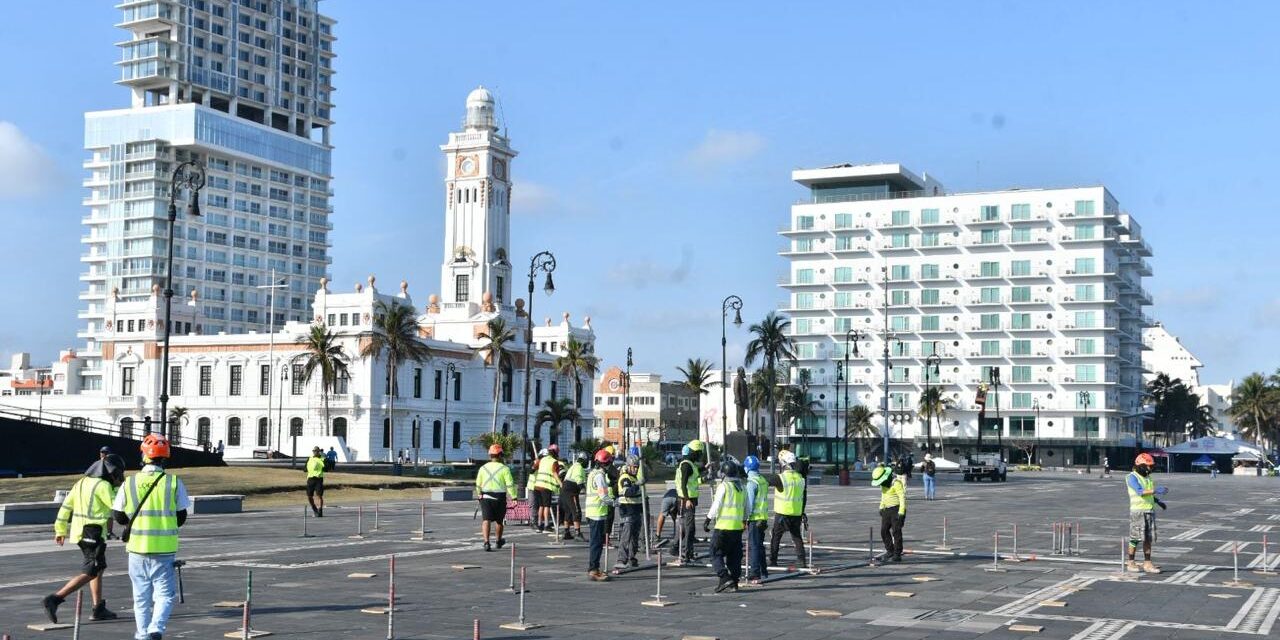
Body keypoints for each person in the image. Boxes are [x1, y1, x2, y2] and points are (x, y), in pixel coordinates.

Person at [113, 434, 190, 640]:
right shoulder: (173, 483)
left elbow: (118, 516)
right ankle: (156, 628)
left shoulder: (129, 483)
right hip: (164, 549)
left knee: (141, 598)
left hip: (137, 549)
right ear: (165, 458)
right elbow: (181, 517)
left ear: (144, 456)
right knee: (164, 595)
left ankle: (142, 634)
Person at [42, 453, 126, 623]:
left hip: (80, 533)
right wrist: (120, 490)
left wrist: (60, 530)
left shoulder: (80, 483)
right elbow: (117, 506)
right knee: (90, 571)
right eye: (118, 475)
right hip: (92, 533)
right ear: (112, 473)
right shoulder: (102, 485)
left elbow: (66, 507)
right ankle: (55, 599)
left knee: (98, 568)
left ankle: (98, 608)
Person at [705, 458, 746, 593]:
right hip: (737, 528)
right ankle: (734, 581)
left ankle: (724, 577)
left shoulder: (724, 486)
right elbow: (747, 507)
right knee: (734, 556)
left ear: (724, 474)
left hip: (723, 527)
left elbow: (717, 504)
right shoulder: (742, 487)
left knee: (715, 552)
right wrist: (745, 520)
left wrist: (708, 518)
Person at [1126, 452, 1168, 573]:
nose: (1150, 469)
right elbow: (1140, 492)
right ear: (1142, 466)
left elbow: (1148, 495)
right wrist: (1155, 491)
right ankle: (1131, 562)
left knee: (1148, 539)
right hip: (1137, 512)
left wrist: (1157, 501)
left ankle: (1147, 563)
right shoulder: (1132, 477)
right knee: (1135, 538)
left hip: (1149, 511)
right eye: (1149, 466)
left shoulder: (1148, 478)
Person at [768, 450, 808, 569]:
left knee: (776, 536)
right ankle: (802, 560)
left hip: (782, 513)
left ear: (784, 464)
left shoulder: (781, 478)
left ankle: (773, 560)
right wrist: (802, 512)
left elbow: (766, 481)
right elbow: (804, 497)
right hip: (796, 513)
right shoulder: (801, 479)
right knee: (796, 537)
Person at [475, 444, 516, 552]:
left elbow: (478, 483)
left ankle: (486, 542)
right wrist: (514, 497)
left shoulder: (483, 468)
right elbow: (510, 484)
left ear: (490, 455)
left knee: (486, 519)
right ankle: (498, 541)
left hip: (485, 496)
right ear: (500, 455)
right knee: (499, 521)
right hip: (500, 496)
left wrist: (479, 493)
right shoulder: (504, 469)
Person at [585, 448, 616, 581]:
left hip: (593, 512)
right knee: (596, 543)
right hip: (597, 513)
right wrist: (614, 502)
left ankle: (594, 568)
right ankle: (594, 570)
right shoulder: (600, 475)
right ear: (606, 463)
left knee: (595, 542)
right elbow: (603, 496)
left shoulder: (593, 473)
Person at [674, 439, 705, 564]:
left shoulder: (691, 464)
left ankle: (686, 550)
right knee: (689, 527)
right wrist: (686, 499)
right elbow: (683, 483)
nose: (699, 455)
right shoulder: (686, 465)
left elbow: (694, 479)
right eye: (699, 453)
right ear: (694, 452)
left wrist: (704, 470)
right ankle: (686, 553)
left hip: (691, 498)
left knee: (688, 527)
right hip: (685, 500)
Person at [743, 455, 770, 584]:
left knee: (754, 546)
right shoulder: (762, 480)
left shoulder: (751, 483)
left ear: (747, 468)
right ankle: (764, 570)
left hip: (754, 518)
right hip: (763, 518)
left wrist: (745, 518)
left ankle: (754, 573)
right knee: (760, 546)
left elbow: (749, 503)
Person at [613, 455, 643, 570]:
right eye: (634, 467)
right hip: (627, 510)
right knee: (626, 535)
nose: (635, 469)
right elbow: (627, 492)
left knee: (635, 536)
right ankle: (621, 559)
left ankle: (631, 557)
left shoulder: (634, 478)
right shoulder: (625, 478)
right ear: (628, 466)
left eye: (637, 467)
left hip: (635, 509)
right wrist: (637, 485)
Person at [873, 463, 907, 562]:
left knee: (896, 531)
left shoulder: (896, 483)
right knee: (883, 531)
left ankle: (897, 553)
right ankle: (890, 550)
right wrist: (881, 507)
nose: (880, 484)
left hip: (897, 510)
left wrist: (901, 512)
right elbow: (883, 496)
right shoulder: (883, 485)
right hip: (886, 510)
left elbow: (902, 498)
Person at [561, 451, 588, 540]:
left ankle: (566, 532)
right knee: (576, 511)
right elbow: (578, 479)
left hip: (565, 490)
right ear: (583, 460)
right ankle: (577, 533)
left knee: (568, 511)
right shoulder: (579, 467)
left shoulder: (574, 466)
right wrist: (584, 489)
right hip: (571, 491)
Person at [306, 446, 326, 517]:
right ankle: (314, 509)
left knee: (319, 495)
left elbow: (326, 467)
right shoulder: (310, 458)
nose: (315, 452)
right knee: (309, 496)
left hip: (318, 479)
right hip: (310, 478)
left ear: (319, 451)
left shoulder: (322, 458)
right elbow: (306, 467)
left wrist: (325, 460)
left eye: (316, 451)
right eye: (314, 451)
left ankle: (320, 511)